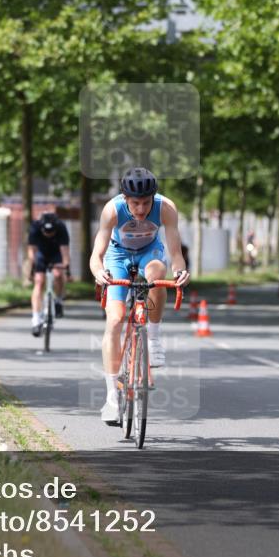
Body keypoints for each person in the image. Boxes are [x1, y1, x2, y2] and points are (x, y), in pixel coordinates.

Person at [90, 167, 190, 425]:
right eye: (135, 203)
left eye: (146, 202)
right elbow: (96, 255)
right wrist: (99, 272)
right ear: (125, 199)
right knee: (115, 320)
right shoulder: (112, 210)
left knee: (157, 274)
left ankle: (153, 338)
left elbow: (175, 253)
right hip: (117, 255)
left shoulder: (166, 208)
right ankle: (112, 398)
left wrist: (180, 271)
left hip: (149, 252)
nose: (142, 208)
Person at [27, 212, 70, 337]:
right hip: (41, 254)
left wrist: (66, 267)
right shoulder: (35, 227)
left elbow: (65, 251)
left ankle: (59, 300)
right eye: (46, 232)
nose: (49, 234)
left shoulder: (61, 227)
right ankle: (36, 320)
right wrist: (32, 268)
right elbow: (31, 251)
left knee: (58, 274)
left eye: (51, 232)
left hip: (56, 253)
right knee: (39, 282)